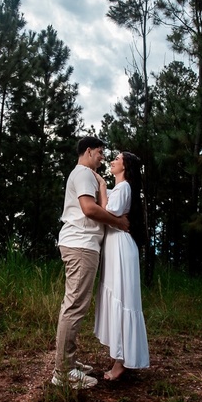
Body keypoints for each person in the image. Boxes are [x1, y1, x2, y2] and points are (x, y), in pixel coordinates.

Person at [52, 136, 130, 389]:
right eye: (99, 152)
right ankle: (63, 372)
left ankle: (69, 362)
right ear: (88, 151)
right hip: (80, 245)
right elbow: (89, 208)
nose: (102, 157)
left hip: (82, 244)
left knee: (75, 304)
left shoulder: (85, 174)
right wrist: (118, 223)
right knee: (74, 306)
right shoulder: (85, 173)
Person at [94, 151, 149, 380]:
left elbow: (109, 212)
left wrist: (103, 187)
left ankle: (122, 361)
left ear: (125, 166)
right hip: (115, 245)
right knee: (118, 296)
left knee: (122, 298)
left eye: (117, 158)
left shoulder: (124, 187)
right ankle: (121, 355)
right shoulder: (123, 188)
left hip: (121, 247)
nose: (112, 161)